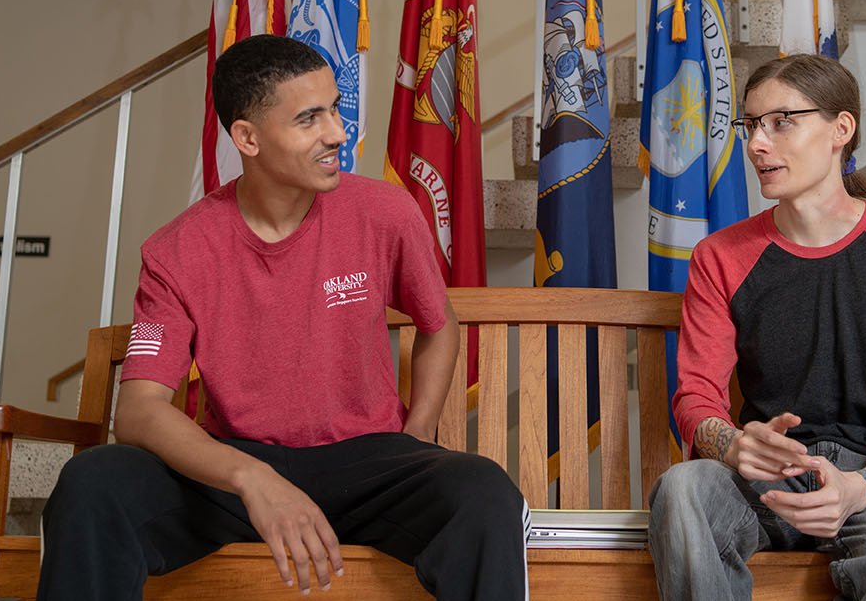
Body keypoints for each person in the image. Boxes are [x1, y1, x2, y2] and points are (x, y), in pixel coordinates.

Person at [37, 35, 528, 600]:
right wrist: (252, 479)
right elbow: (140, 410)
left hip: (368, 462)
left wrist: (416, 437)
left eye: (336, 109)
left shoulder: (386, 212)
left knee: (484, 491)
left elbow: (439, 325)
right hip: (237, 470)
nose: (338, 134)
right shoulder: (176, 250)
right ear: (247, 137)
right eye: (309, 119)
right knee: (92, 482)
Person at [647, 53, 866, 600]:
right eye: (750, 125)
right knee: (682, 489)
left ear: (841, 129)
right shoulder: (718, 257)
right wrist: (733, 447)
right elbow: (696, 396)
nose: (757, 144)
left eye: (781, 121)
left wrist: (857, 488)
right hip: (767, 475)